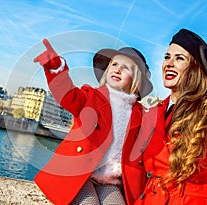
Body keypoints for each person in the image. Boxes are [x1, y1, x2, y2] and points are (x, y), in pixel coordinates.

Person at [33, 38, 153, 205]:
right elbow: (67, 95)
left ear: (136, 80)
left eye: (125, 68)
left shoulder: (140, 113)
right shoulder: (91, 96)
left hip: (111, 180)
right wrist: (56, 69)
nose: (117, 70)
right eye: (114, 65)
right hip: (81, 174)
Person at [132, 28, 207, 204]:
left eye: (179, 58)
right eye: (167, 57)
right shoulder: (152, 112)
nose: (169, 63)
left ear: (196, 68)